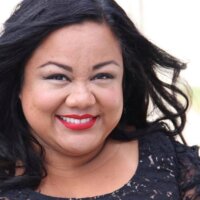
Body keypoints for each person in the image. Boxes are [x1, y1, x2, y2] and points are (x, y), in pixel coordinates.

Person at [0, 0, 199, 199]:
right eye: (58, 77)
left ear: (124, 80)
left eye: (102, 76)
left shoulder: (177, 168)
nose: (82, 99)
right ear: (18, 83)